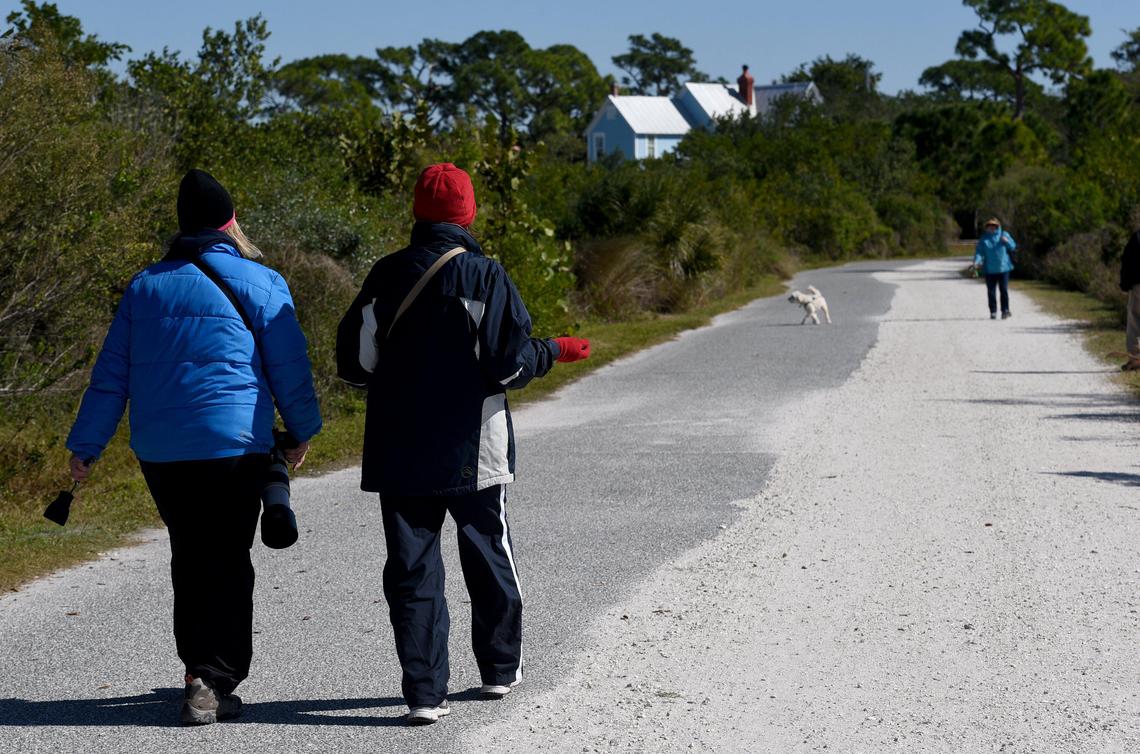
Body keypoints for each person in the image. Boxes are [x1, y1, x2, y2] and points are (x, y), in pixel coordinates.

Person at [335, 162, 590, 726]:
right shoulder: (485, 276)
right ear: (468, 214)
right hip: (474, 448)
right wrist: (553, 350)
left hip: (400, 449)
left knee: (412, 568)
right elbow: (509, 366)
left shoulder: (385, 274)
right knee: (487, 549)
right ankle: (499, 670)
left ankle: (425, 693)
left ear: (417, 213)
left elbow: (355, 365)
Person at [65, 169, 322, 725]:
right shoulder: (262, 282)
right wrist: (301, 430)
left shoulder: (144, 286)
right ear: (230, 224)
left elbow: (111, 377)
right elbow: (290, 369)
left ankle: (196, 670)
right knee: (228, 558)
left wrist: (87, 445)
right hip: (234, 446)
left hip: (162, 451)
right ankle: (213, 679)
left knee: (191, 553)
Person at [973, 217, 1018, 320]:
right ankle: (993, 311)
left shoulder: (1004, 235)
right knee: (991, 292)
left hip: (1004, 269)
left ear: (998, 226)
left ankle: (1005, 311)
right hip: (989, 270)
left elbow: (1013, 246)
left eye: (994, 226)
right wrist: (976, 262)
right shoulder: (984, 239)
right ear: (987, 227)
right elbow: (979, 252)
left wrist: (1006, 241)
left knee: (1004, 290)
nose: (991, 228)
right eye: (989, 226)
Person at [1118, 228, 1140, 370]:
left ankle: (1136, 359)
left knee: (1135, 320)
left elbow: (1127, 259)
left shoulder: (1137, 237)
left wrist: (1125, 284)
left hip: (1139, 284)